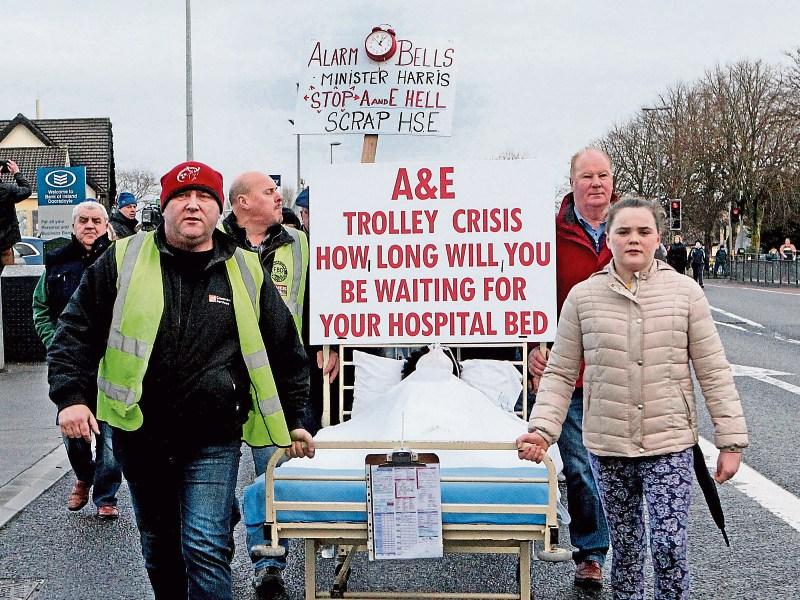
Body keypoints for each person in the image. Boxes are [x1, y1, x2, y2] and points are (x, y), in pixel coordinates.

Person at [47, 161, 316, 600]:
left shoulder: (246, 270)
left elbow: (287, 349)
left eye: (204, 197)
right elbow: (75, 333)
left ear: (217, 209)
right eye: (181, 197)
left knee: (205, 546)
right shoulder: (122, 259)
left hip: (213, 435)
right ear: (165, 207)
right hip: (140, 432)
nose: (193, 205)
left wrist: (295, 419)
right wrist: (71, 398)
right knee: (159, 546)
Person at [517, 197, 748, 600]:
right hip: (609, 447)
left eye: (644, 231)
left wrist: (730, 442)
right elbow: (561, 371)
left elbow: (713, 370)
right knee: (625, 552)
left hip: (670, 443)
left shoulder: (685, 293)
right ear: (609, 238)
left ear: (659, 238)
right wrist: (542, 430)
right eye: (623, 232)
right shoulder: (583, 298)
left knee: (669, 546)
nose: (634, 240)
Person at [223, 171, 338, 599]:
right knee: (216, 477)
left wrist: (327, 343)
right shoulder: (217, 246)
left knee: (272, 472)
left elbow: (315, 299)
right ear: (241, 203)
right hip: (223, 380)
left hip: (277, 380)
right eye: (269, 192)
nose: (278, 197)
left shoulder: (298, 244)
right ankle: (220, 534)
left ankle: (268, 561)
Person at [527, 147, 611, 589]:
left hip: (619, 373)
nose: (596, 183)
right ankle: (592, 551)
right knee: (581, 466)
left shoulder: (628, 230)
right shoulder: (549, 236)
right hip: (571, 372)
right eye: (587, 176)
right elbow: (530, 298)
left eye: (603, 175)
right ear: (572, 183)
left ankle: (628, 546)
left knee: (623, 467)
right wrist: (535, 348)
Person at [32, 201, 123, 518]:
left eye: (96, 220)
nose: (89, 226)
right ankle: (84, 476)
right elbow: (40, 309)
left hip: (114, 365)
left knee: (111, 438)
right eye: (83, 220)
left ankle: (106, 497)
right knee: (74, 437)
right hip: (72, 365)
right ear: (73, 226)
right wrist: (54, 341)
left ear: (106, 225)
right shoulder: (57, 264)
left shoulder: (120, 260)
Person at [0, 159, 33, 270]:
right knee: (7, 277)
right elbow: (27, 190)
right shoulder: (7, 190)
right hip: (5, 242)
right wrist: (16, 173)